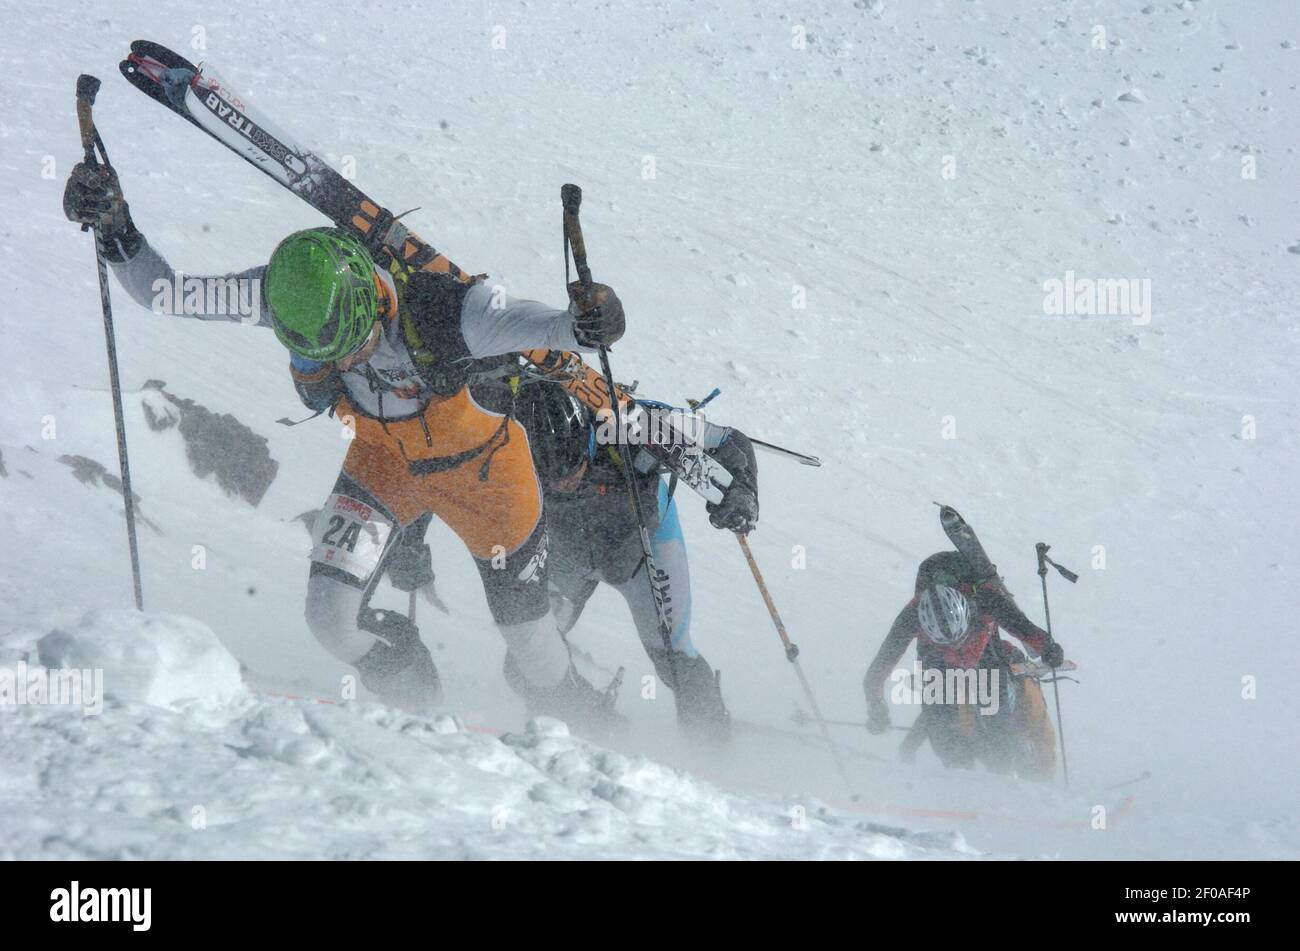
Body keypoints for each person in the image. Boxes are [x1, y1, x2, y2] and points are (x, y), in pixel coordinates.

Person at [63, 161, 627, 728]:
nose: (341, 363)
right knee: (330, 620)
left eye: (348, 345)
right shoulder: (284, 295)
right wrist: (116, 229)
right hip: (383, 464)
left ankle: (588, 725)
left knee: (530, 645)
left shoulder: (454, 312)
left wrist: (593, 317)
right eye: (317, 354)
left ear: (370, 302)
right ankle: (418, 712)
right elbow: (169, 295)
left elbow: (555, 329)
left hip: (489, 481)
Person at [505, 380, 757, 741]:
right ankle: (582, 724)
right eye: (548, 477)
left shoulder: (633, 423)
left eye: (572, 468)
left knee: (676, 660)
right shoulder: (505, 438)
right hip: (564, 556)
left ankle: (713, 748)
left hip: (644, 552)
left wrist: (742, 495)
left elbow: (730, 442)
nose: (562, 484)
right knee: (526, 656)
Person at [863, 550, 1064, 780]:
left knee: (998, 732)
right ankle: (959, 781)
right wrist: (875, 705)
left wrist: (1048, 648)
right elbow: (879, 668)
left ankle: (1005, 777)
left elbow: (1024, 628)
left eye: (960, 637)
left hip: (985, 655)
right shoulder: (911, 617)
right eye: (946, 641)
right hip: (938, 663)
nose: (954, 644)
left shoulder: (985, 599)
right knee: (945, 736)